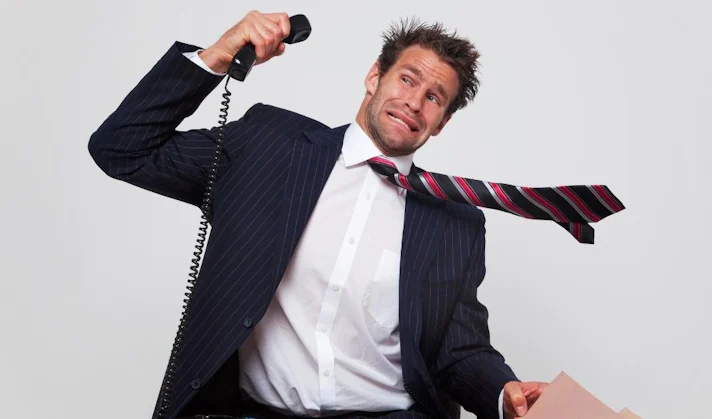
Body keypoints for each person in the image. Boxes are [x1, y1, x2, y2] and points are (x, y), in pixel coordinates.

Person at [88, 11, 549, 419]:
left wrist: (503, 393)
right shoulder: (268, 146)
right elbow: (123, 150)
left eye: (434, 97)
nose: (414, 101)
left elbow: (459, 350)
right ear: (374, 77)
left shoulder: (455, 221)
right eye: (407, 79)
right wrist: (217, 56)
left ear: (442, 122)